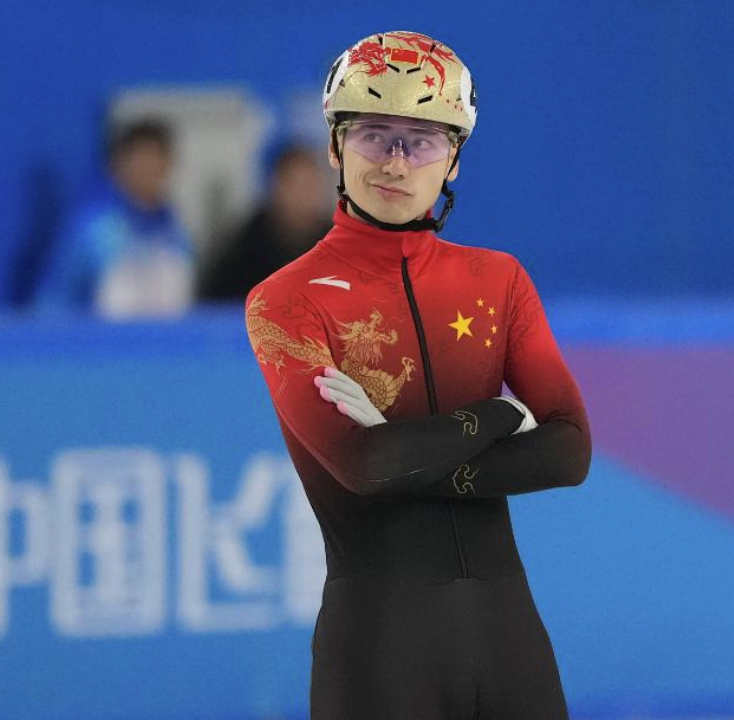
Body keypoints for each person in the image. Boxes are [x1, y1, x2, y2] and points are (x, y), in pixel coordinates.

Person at [245, 31, 591, 720]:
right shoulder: (287, 299)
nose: (396, 163)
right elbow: (365, 466)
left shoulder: (498, 280)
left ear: (454, 161)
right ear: (336, 147)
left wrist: (416, 452)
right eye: (375, 135)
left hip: (511, 642)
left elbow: (569, 449)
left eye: (422, 140)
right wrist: (495, 419)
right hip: (379, 650)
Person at [35, 119, 196, 319]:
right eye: (139, 161)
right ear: (117, 166)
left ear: (170, 164)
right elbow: (52, 304)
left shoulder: (177, 236)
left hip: (163, 347)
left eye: (156, 159)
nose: (148, 170)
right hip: (102, 347)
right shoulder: (94, 233)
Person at [199, 141, 333, 301]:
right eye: (296, 185)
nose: (304, 195)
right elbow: (215, 306)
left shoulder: (336, 242)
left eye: (311, 184)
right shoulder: (246, 246)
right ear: (276, 188)